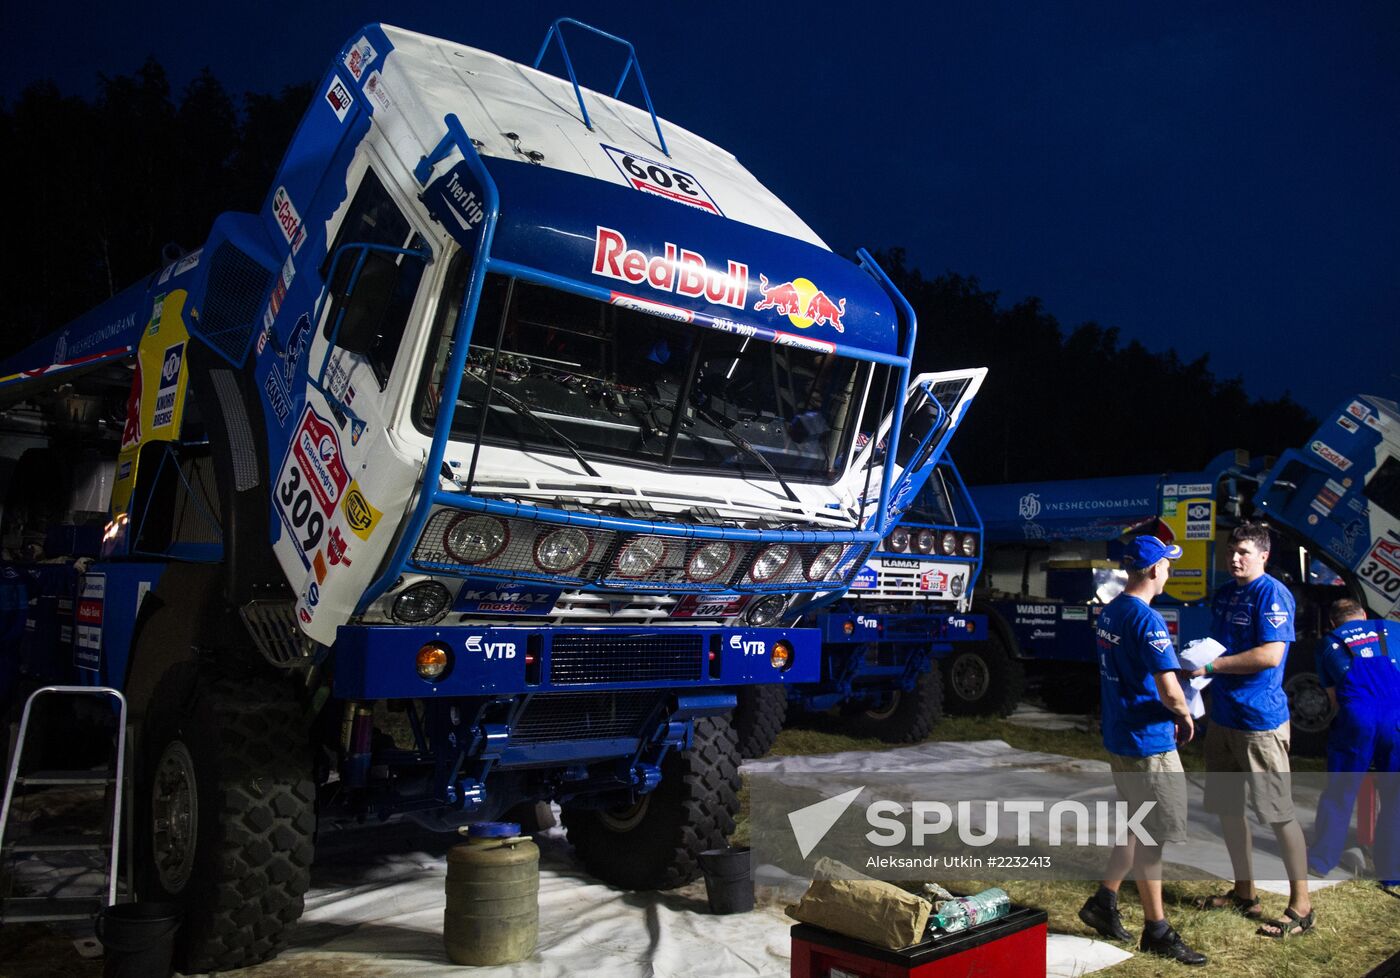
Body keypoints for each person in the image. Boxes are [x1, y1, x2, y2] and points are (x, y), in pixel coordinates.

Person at [1078, 535, 1206, 966]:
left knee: (1137, 821)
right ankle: (1158, 931)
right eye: (1167, 564)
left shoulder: (1111, 610)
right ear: (1154, 570)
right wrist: (1186, 714)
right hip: (1148, 742)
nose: (1169, 569)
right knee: (1154, 835)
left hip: (1120, 734)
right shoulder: (1147, 620)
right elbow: (1170, 691)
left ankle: (1104, 900)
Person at [1189, 522, 1313, 938]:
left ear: (1263, 555)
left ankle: (1302, 906)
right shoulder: (1225, 594)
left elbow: (1269, 654)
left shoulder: (1272, 593)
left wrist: (1213, 667)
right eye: (1231, 551)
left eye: (1243, 551)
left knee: (1278, 815)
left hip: (1260, 722)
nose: (1235, 558)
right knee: (1228, 809)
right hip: (1223, 718)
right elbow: (1219, 646)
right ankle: (1245, 892)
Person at [1307, 598, 1400, 886]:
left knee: (1341, 790)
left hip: (1357, 717)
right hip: (1397, 717)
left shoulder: (1328, 643)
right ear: (1363, 615)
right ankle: (1392, 873)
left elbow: (1335, 699)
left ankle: (1322, 861)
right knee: (1396, 797)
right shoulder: (1392, 629)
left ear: (1334, 623)